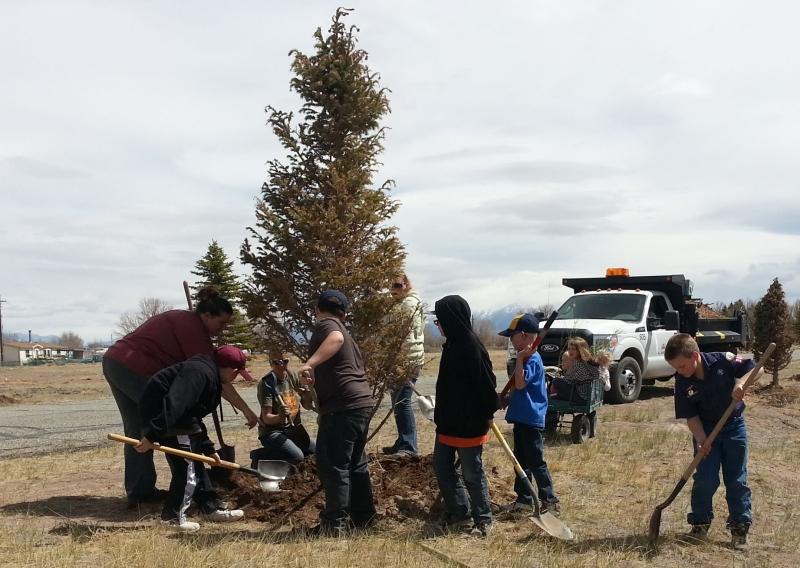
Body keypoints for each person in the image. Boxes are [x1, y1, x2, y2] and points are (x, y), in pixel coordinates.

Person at [103, 286, 259, 506]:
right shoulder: (193, 330)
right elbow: (216, 379)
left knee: (138, 428)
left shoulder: (184, 320)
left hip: (114, 363)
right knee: (174, 424)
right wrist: (247, 410)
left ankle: (140, 492)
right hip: (135, 368)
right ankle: (194, 490)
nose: (222, 329)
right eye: (221, 323)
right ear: (206, 315)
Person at [134, 345, 252, 532]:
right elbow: (175, 403)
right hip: (168, 419)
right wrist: (151, 435)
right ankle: (172, 517)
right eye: (237, 373)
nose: (236, 378)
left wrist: (208, 448)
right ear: (230, 369)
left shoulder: (208, 373)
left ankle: (210, 508)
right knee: (186, 470)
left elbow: (193, 414)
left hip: (180, 418)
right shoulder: (199, 373)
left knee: (195, 462)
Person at [664, 333, 757, 551]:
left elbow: (756, 368)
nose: (680, 371)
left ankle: (739, 528)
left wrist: (742, 383)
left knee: (736, 479)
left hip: (733, 427)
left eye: (683, 366)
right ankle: (700, 522)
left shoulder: (722, 360)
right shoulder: (682, 380)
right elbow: (691, 415)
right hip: (705, 429)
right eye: (676, 368)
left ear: (695, 356)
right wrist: (700, 438)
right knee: (705, 479)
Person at [298, 290, 377, 536]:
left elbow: (335, 339)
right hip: (360, 403)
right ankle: (363, 517)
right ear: (344, 312)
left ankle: (334, 525)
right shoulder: (345, 330)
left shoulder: (328, 326)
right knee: (355, 463)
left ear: (317, 310)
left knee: (333, 464)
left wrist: (310, 363)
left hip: (343, 406)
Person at [431, 295, 499, 537]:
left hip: (469, 424)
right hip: (448, 423)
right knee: (441, 466)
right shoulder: (451, 344)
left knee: (472, 473)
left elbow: (486, 386)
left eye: (439, 321)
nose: (438, 325)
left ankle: (483, 519)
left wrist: (488, 412)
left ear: (451, 319)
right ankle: (461, 513)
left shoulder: (471, 347)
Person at [497, 314, 560, 515]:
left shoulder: (532, 359)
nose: (511, 341)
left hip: (531, 419)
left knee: (535, 461)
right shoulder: (526, 358)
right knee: (521, 461)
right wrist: (508, 399)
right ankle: (523, 499)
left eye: (512, 337)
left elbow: (521, 382)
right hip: (521, 417)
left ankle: (549, 500)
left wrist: (520, 359)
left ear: (523, 336)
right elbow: (520, 388)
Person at [382, 273, 426, 456]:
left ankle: (408, 446)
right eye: (392, 286)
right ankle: (403, 441)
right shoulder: (402, 303)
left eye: (398, 285)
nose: (394, 289)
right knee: (397, 402)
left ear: (406, 284)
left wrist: (399, 360)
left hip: (407, 360)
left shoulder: (407, 305)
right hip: (401, 359)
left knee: (402, 403)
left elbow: (404, 336)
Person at [250, 350, 315, 466]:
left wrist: (308, 392)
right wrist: (280, 417)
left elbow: (307, 406)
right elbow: (266, 418)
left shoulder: (293, 376)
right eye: (276, 362)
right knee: (297, 457)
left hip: (293, 429)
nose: (281, 365)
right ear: (270, 363)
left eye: (284, 361)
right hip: (273, 431)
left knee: (316, 452)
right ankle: (259, 456)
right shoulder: (267, 383)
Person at [552, 337, 611, 402]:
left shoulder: (579, 363)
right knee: (559, 385)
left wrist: (559, 379)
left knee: (556, 381)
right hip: (590, 395)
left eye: (573, 349)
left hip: (582, 396)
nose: (570, 351)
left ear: (580, 350)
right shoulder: (587, 361)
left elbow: (569, 379)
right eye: (569, 349)